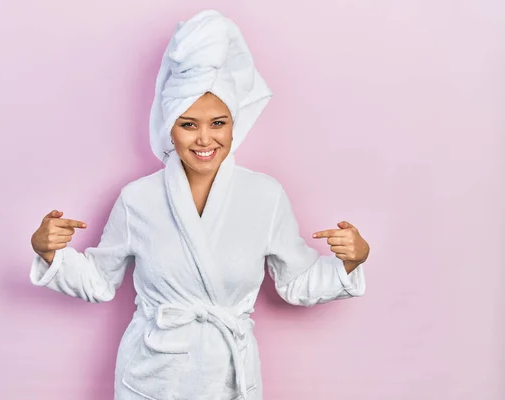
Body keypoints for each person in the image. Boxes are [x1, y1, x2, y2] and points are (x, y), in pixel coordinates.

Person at [29, 9, 370, 400]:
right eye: (188, 124)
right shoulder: (138, 198)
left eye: (218, 123)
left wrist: (349, 262)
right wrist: (50, 253)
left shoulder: (265, 196)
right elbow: (99, 281)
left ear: (233, 124)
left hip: (228, 374)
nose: (205, 139)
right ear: (169, 126)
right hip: (152, 375)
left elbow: (295, 282)